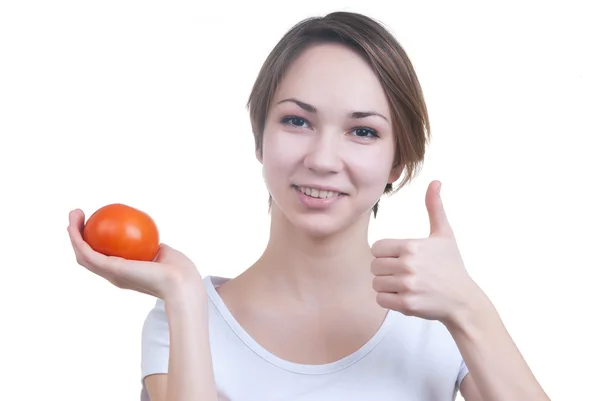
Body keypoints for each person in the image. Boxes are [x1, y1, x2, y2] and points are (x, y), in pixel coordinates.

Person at [68, 11, 550, 401]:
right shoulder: (182, 320)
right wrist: (184, 296)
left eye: (363, 131)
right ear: (260, 139)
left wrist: (469, 305)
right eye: (297, 121)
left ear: (397, 164)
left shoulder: (440, 317)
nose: (322, 160)